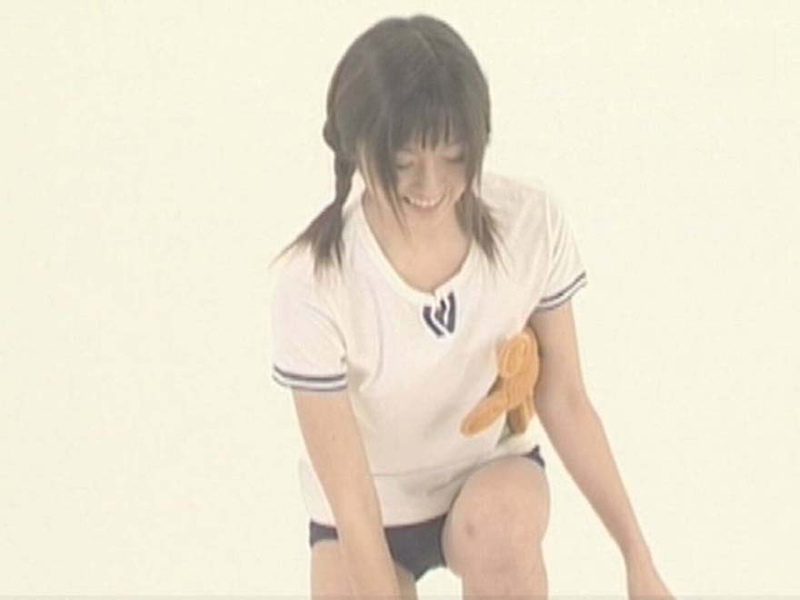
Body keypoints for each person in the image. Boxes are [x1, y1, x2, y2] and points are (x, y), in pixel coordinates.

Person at [269, 14, 673, 600]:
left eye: (455, 155)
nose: (431, 185)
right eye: (403, 163)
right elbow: (350, 495)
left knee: (501, 525)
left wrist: (637, 558)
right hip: (367, 506)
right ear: (357, 149)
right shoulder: (313, 281)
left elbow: (565, 397)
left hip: (487, 478)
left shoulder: (528, 221)